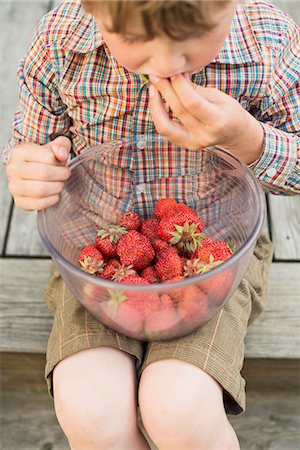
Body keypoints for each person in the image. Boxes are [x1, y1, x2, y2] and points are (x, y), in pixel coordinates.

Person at [3, 0, 299, 448]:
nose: (164, 63)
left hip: (214, 258)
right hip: (99, 256)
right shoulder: (61, 42)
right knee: (88, 405)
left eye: (191, 36)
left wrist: (248, 139)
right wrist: (31, 170)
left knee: (179, 407)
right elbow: (31, 149)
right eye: (137, 40)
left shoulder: (268, 43)